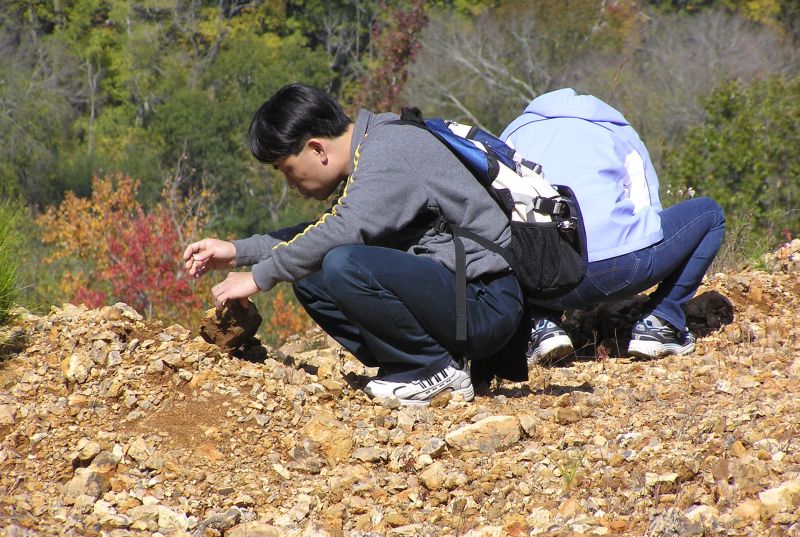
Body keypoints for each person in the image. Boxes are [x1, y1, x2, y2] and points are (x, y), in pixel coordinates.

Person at [182, 83, 525, 405]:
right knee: (311, 270)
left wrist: (259, 277)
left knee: (341, 262)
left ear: (316, 148)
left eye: (287, 169)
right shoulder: (371, 149)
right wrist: (236, 251)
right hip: (459, 299)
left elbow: (342, 230)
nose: (289, 184)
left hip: (485, 303)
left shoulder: (390, 149)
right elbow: (321, 232)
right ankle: (407, 365)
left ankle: (432, 368)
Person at [500, 88, 726, 363]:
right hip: (621, 271)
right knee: (710, 213)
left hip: (547, 282)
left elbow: (500, 211)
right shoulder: (617, 130)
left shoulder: (514, 134)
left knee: (516, 239)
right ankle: (662, 322)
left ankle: (540, 324)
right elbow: (649, 214)